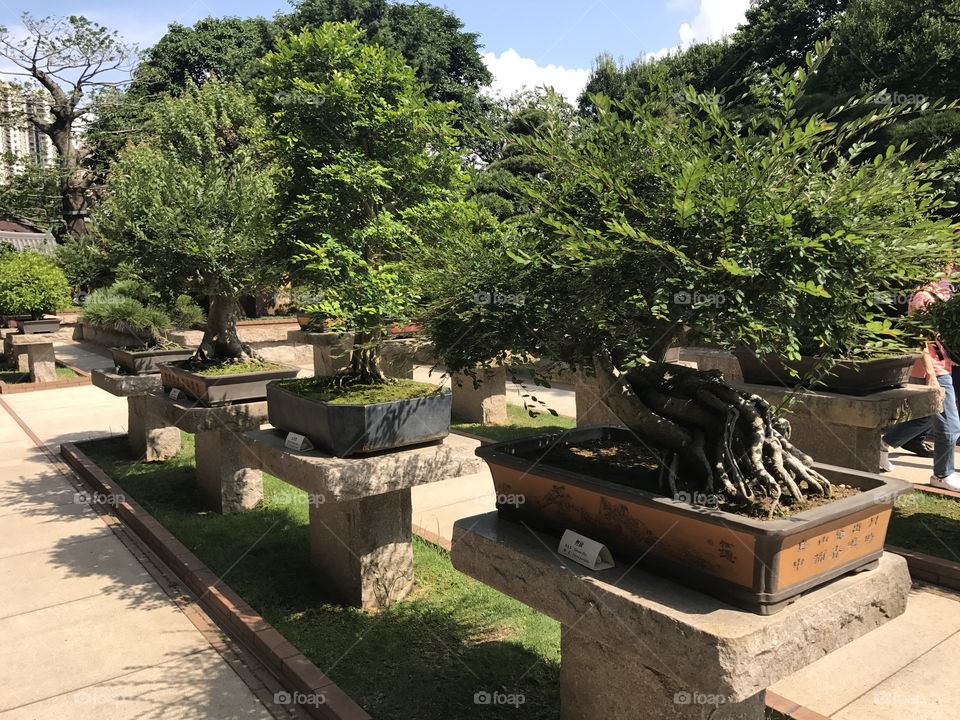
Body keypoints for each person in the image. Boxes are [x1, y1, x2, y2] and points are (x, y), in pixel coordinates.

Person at [881, 269, 960, 490]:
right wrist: (931, 375)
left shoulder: (943, 292)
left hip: (942, 365)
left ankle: (882, 444)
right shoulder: (922, 297)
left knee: (924, 417)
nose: (952, 268)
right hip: (932, 369)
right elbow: (919, 340)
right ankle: (942, 475)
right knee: (950, 425)